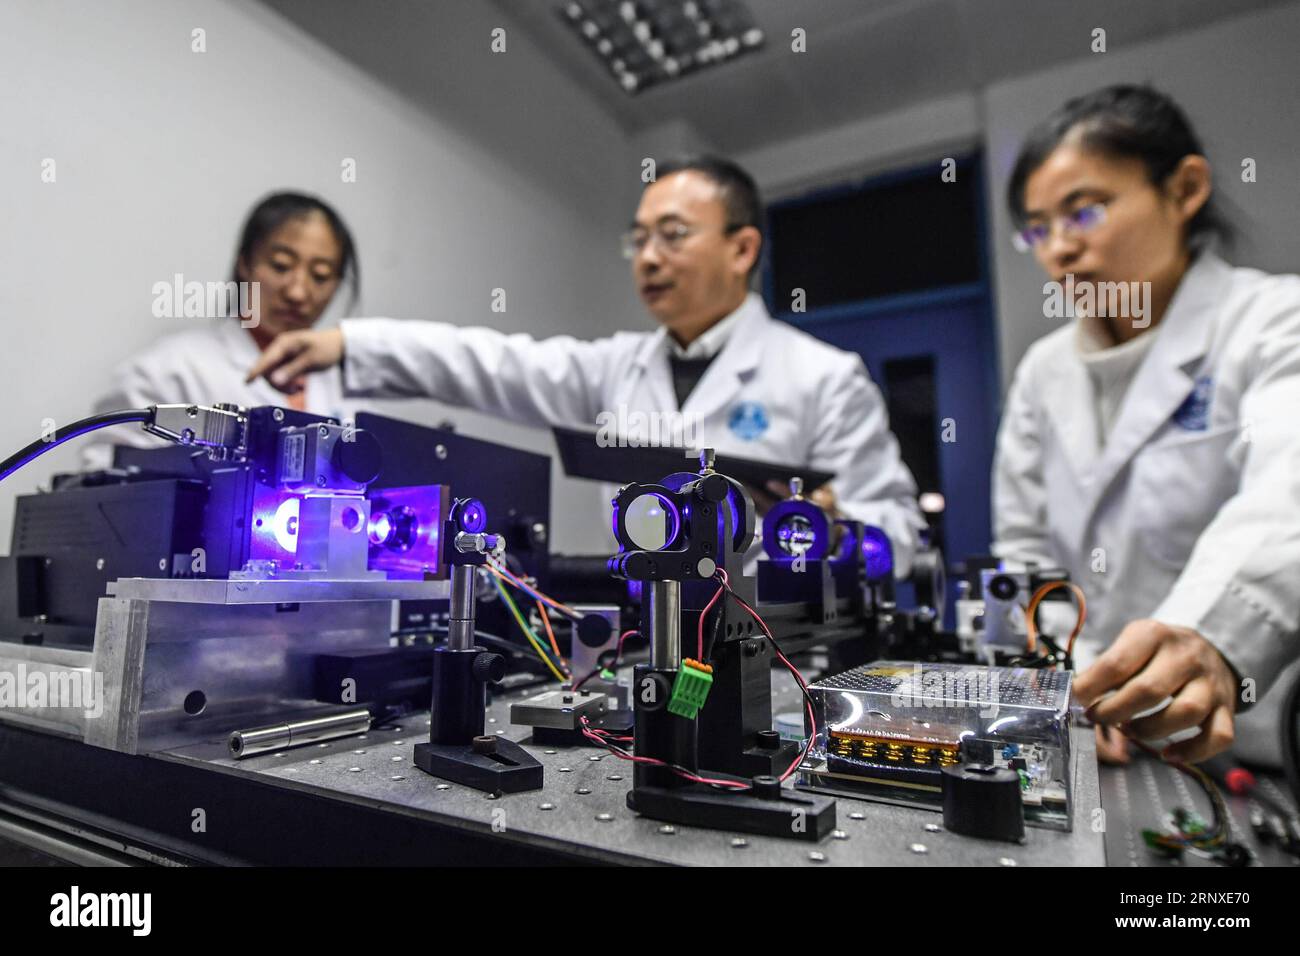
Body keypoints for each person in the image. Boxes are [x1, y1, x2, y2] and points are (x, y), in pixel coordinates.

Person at [247, 157, 925, 572]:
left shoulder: (825, 377)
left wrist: (835, 530)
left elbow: (898, 535)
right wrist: (350, 345)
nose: (649, 257)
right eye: (639, 240)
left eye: (673, 235)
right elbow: (494, 364)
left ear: (742, 249)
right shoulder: (615, 369)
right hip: (644, 642)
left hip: (780, 661)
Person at [992, 85, 1300, 764]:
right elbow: (1026, 548)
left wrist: (1205, 636)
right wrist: (1073, 670)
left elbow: (1289, 495)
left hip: (1251, 739)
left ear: (1184, 189)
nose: (1059, 250)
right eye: (1038, 229)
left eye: (1086, 211)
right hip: (1093, 726)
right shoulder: (1043, 371)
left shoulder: (1275, 321)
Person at [84, 191, 361, 467]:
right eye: (281, 266)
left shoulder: (348, 387)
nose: (298, 292)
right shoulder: (169, 371)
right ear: (245, 265)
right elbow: (102, 485)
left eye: (321, 275)